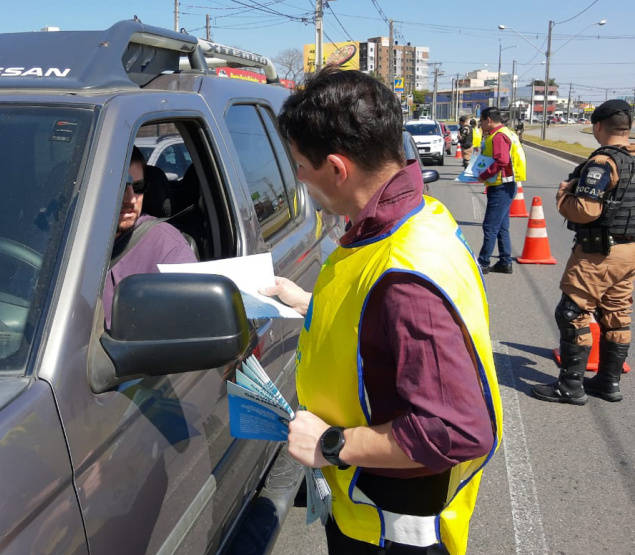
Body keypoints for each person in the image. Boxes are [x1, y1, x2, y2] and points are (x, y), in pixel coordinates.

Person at [265, 68, 502, 555]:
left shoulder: (403, 274)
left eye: (300, 169)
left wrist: (331, 444)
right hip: (371, 509)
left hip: (392, 528)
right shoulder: (415, 217)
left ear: (337, 168)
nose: (301, 183)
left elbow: (456, 430)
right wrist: (310, 303)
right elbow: (381, 325)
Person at [531, 99, 635, 405]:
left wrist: (563, 195)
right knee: (617, 314)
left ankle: (570, 386)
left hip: (599, 253)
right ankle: (608, 382)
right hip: (628, 252)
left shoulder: (604, 163)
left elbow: (586, 210)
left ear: (598, 126)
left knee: (573, 312)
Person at [101, 147, 196, 328]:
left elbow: (190, 325)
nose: (131, 199)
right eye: (120, 186)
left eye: (138, 187)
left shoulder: (167, 247)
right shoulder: (66, 239)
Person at [476, 107, 526, 274]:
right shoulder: (508, 132)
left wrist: (484, 175)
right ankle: (505, 261)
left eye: (481, 121)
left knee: (490, 225)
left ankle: (483, 262)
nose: (480, 125)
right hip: (506, 185)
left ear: (488, 120)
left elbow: (502, 160)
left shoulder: (498, 136)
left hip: (500, 186)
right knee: (501, 226)